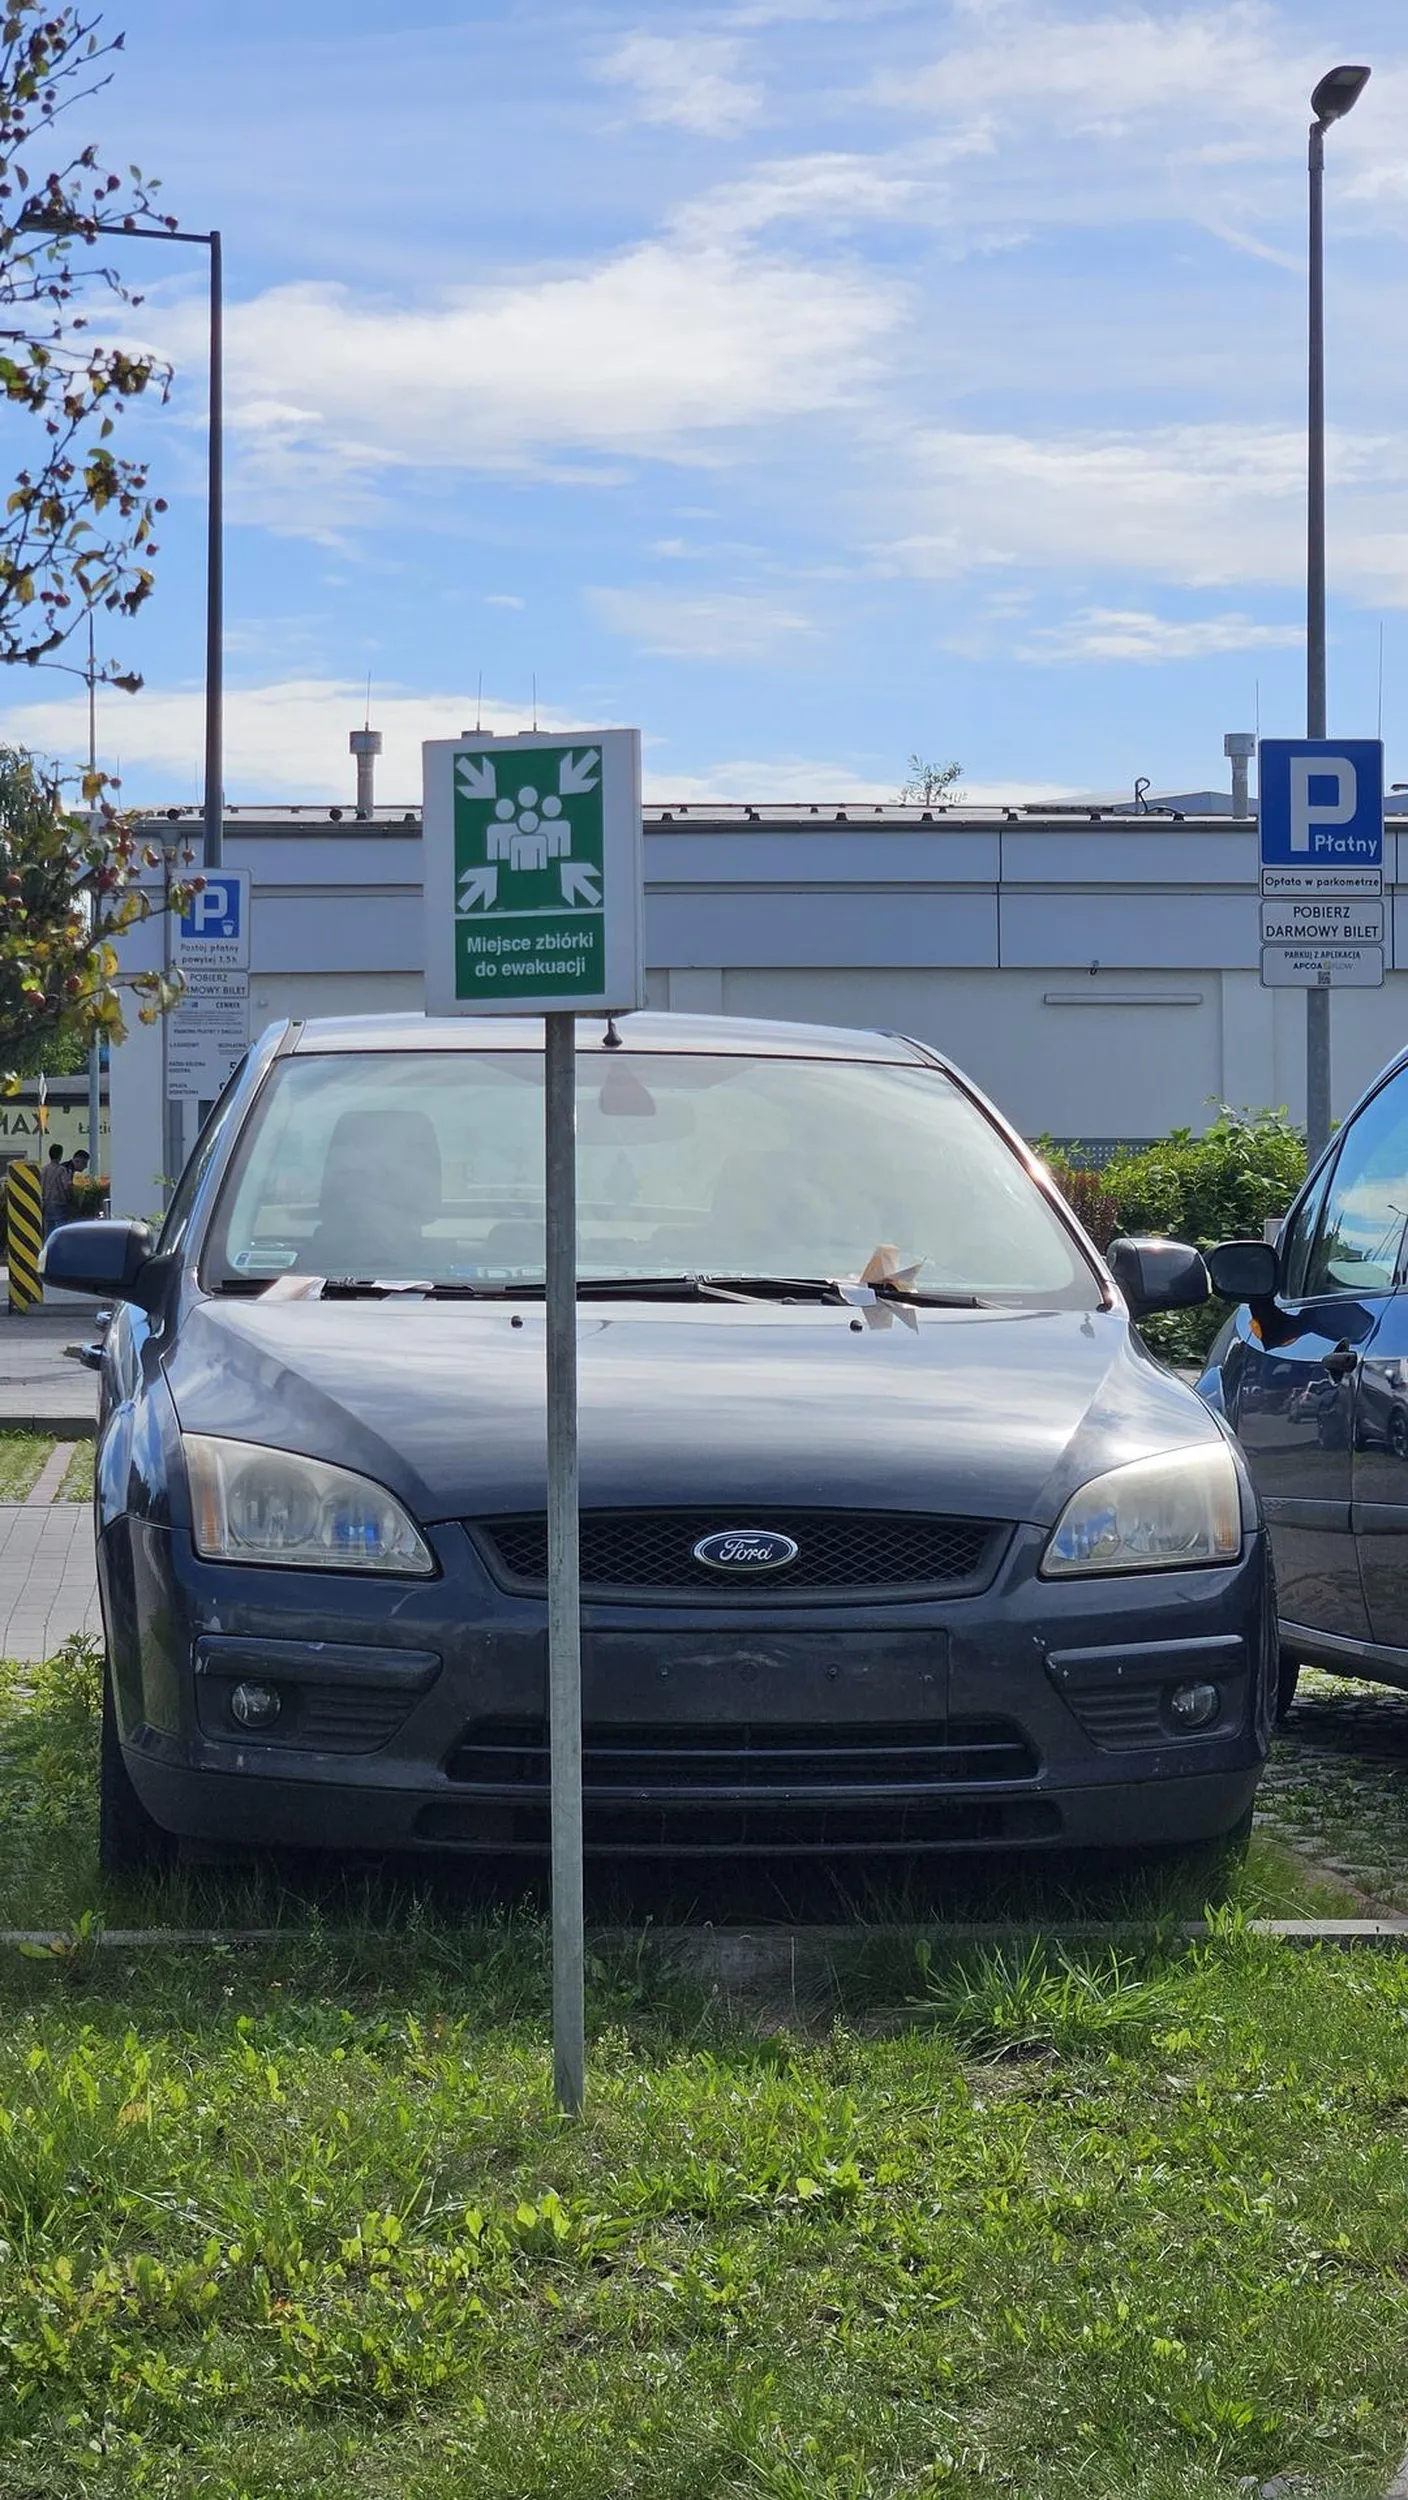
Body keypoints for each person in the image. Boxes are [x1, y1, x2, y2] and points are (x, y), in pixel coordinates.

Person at [41, 1140, 72, 1236]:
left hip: (46, 1204)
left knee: (48, 1230)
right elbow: (66, 1186)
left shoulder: (44, 1169)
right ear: (60, 1155)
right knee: (60, 1230)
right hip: (60, 1204)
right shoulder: (62, 1170)